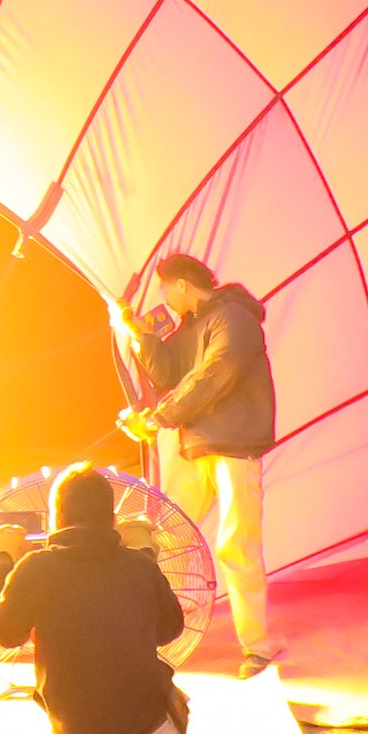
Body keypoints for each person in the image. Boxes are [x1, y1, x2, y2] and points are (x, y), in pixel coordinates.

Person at [0, 465, 187, 734]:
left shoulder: (35, 568)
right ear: (113, 520)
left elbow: (2, 632)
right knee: (149, 682)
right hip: (153, 733)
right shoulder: (139, 566)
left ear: (56, 520)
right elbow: (170, 629)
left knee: (83, 692)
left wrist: (2, 561)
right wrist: (146, 556)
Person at [111, 253, 280, 678]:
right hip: (196, 446)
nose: (164, 297)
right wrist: (141, 335)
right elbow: (169, 374)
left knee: (236, 545)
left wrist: (159, 418)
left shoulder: (235, 319)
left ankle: (257, 648)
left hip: (235, 446)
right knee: (167, 536)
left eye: (165, 288)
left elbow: (215, 374)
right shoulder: (191, 327)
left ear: (182, 284)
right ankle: (151, 633)